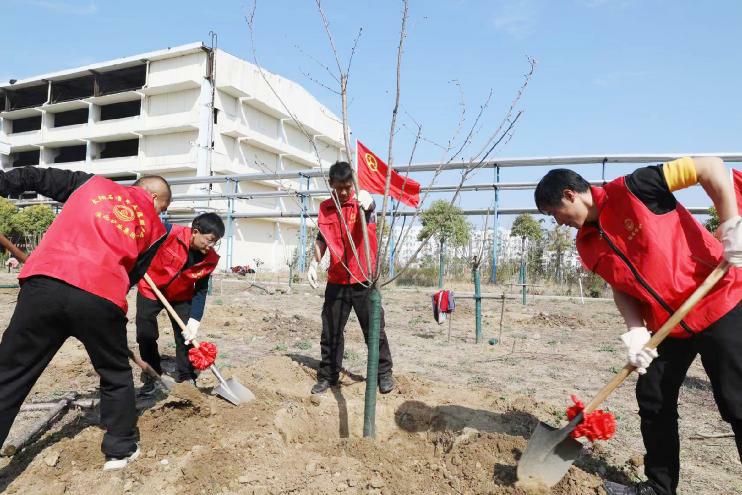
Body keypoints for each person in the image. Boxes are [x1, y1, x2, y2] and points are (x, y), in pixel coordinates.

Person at [534, 156, 742, 495]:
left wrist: (732, 223)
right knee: (653, 397)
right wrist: (635, 330)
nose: (557, 222)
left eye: (553, 212)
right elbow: (620, 286)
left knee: (737, 400)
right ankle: (660, 488)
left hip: (719, 300)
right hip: (670, 324)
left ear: (570, 194)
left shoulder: (635, 188)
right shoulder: (587, 243)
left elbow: (711, 167)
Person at [0, 167, 171, 471]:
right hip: (102, 295)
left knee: (10, 373)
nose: (160, 214)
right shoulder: (157, 229)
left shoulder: (89, 184)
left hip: (45, 283)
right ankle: (119, 450)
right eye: (163, 208)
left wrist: (2, 183)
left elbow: (34, 177)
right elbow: (134, 274)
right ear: (155, 197)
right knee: (115, 373)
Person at [307, 161, 395, 395]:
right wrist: (314, 262)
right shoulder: (326, 208)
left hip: (364, 278)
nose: (344, 192)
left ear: (353, 183)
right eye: (339, 188)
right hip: (337, 279)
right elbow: (322, 238)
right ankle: (328, 375)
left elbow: (372, 215)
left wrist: (370, 205)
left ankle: (383, 373)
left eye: (348, 186)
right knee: (331, 330)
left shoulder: (363, 203)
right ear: (331, 185)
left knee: (374, 329)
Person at [135, 212, 223, 396]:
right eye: (209, 240)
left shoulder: (209, 259)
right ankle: (152, 375)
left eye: (215, 242)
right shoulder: (168, 232)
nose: (211, 246)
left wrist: (194, 320)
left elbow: (201, 290)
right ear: (195, 232)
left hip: (181, 295)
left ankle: (186, 375)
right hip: (151, 288)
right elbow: (141, 241)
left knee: (185, 336)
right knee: (145, 333)